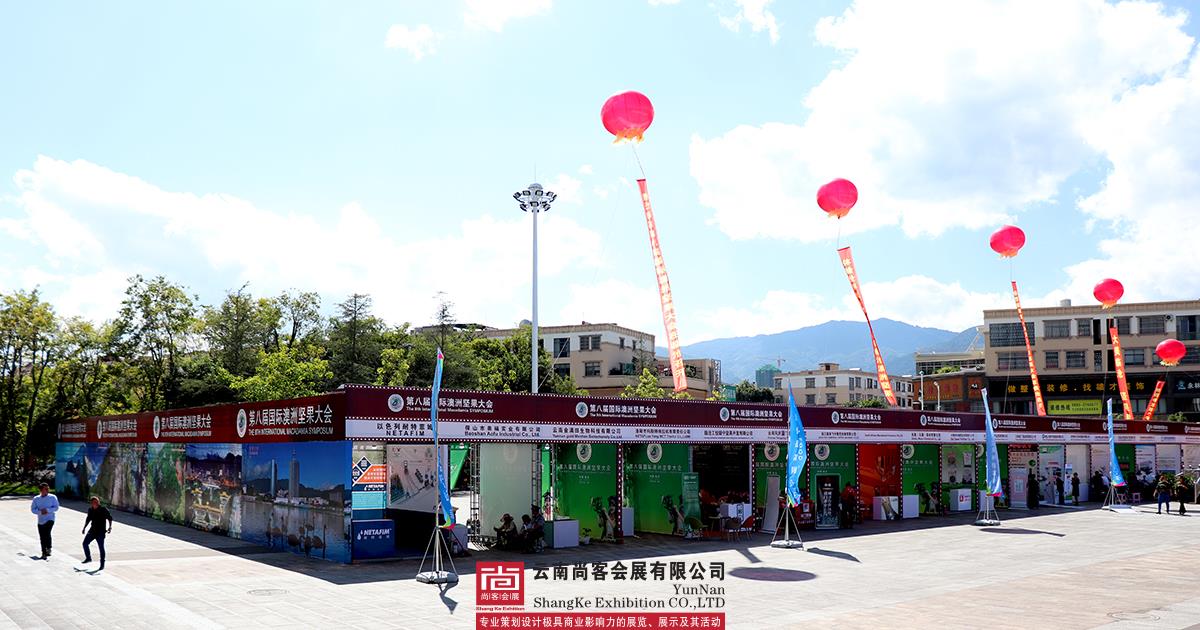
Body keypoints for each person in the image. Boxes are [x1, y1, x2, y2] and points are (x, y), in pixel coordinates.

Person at [81, 496, 113, 569]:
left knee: (101, 548)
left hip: (100, 532)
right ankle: (88, 558)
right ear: (91, 503)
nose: (96, 503)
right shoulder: (90, 510)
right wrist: (84, 528)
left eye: (97, 502)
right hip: (92, 531)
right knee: (85, 543)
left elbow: (110, 518)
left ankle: (102, 564)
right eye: (94, 502)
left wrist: (110, 527)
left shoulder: (103, 509)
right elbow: (88, 519)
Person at [30, 483, 59, 559]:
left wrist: (48, 510)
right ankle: (43, 552)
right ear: (41, 490)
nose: (47, 490)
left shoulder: (52, 497)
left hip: (50, 519)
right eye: (45, 489)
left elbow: (56, 507)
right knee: (42, 536)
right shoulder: (36, 499)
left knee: (47, 533)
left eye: (48, 488)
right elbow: (33, 509)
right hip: (41, 520)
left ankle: (48, 548)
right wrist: (40, 512)